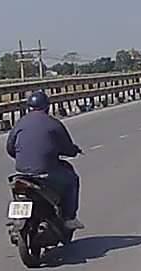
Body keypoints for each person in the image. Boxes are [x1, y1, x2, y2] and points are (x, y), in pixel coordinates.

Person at [5, 90, 84, 230]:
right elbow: (67, 147)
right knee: (72, 180)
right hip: (45, 173)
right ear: (47, 107)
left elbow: (10, 148)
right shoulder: (53, 123)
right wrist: (74, 151)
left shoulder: (20, 123)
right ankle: (69, 218)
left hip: (22, 172)